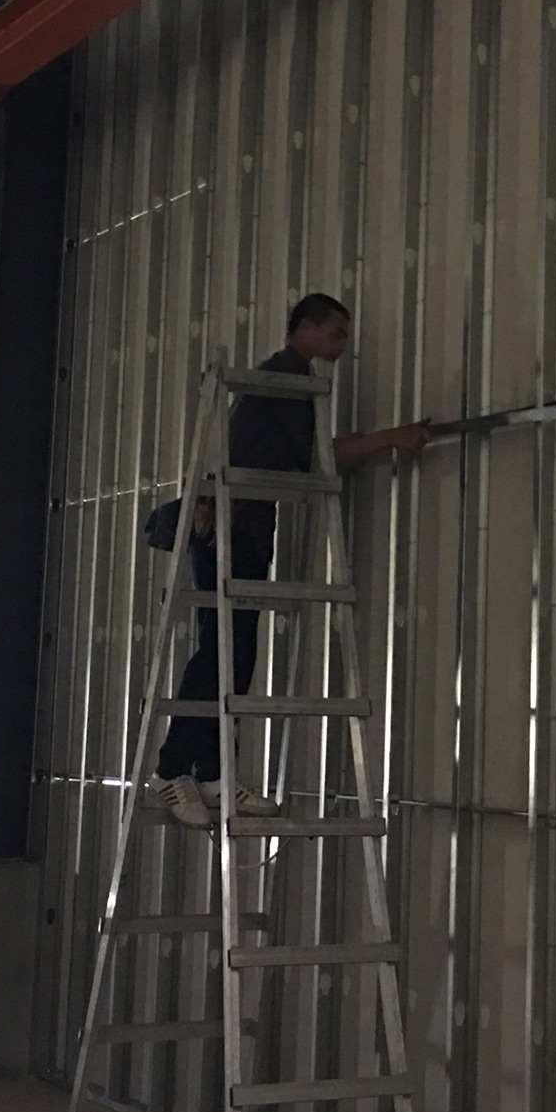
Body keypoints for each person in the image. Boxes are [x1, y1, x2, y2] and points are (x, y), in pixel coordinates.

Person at [149, 292, 429, 827]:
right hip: (231, 526)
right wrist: (391, 439)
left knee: (234, 652)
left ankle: (210, 773)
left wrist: (376, 441)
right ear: (305, 328)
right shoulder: (286, 382)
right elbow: (319, 458)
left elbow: (309, 453)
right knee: (224, 652)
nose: (341, 347)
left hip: (240, 527)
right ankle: (171, 772)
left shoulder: (286, 386)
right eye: (335, 333)